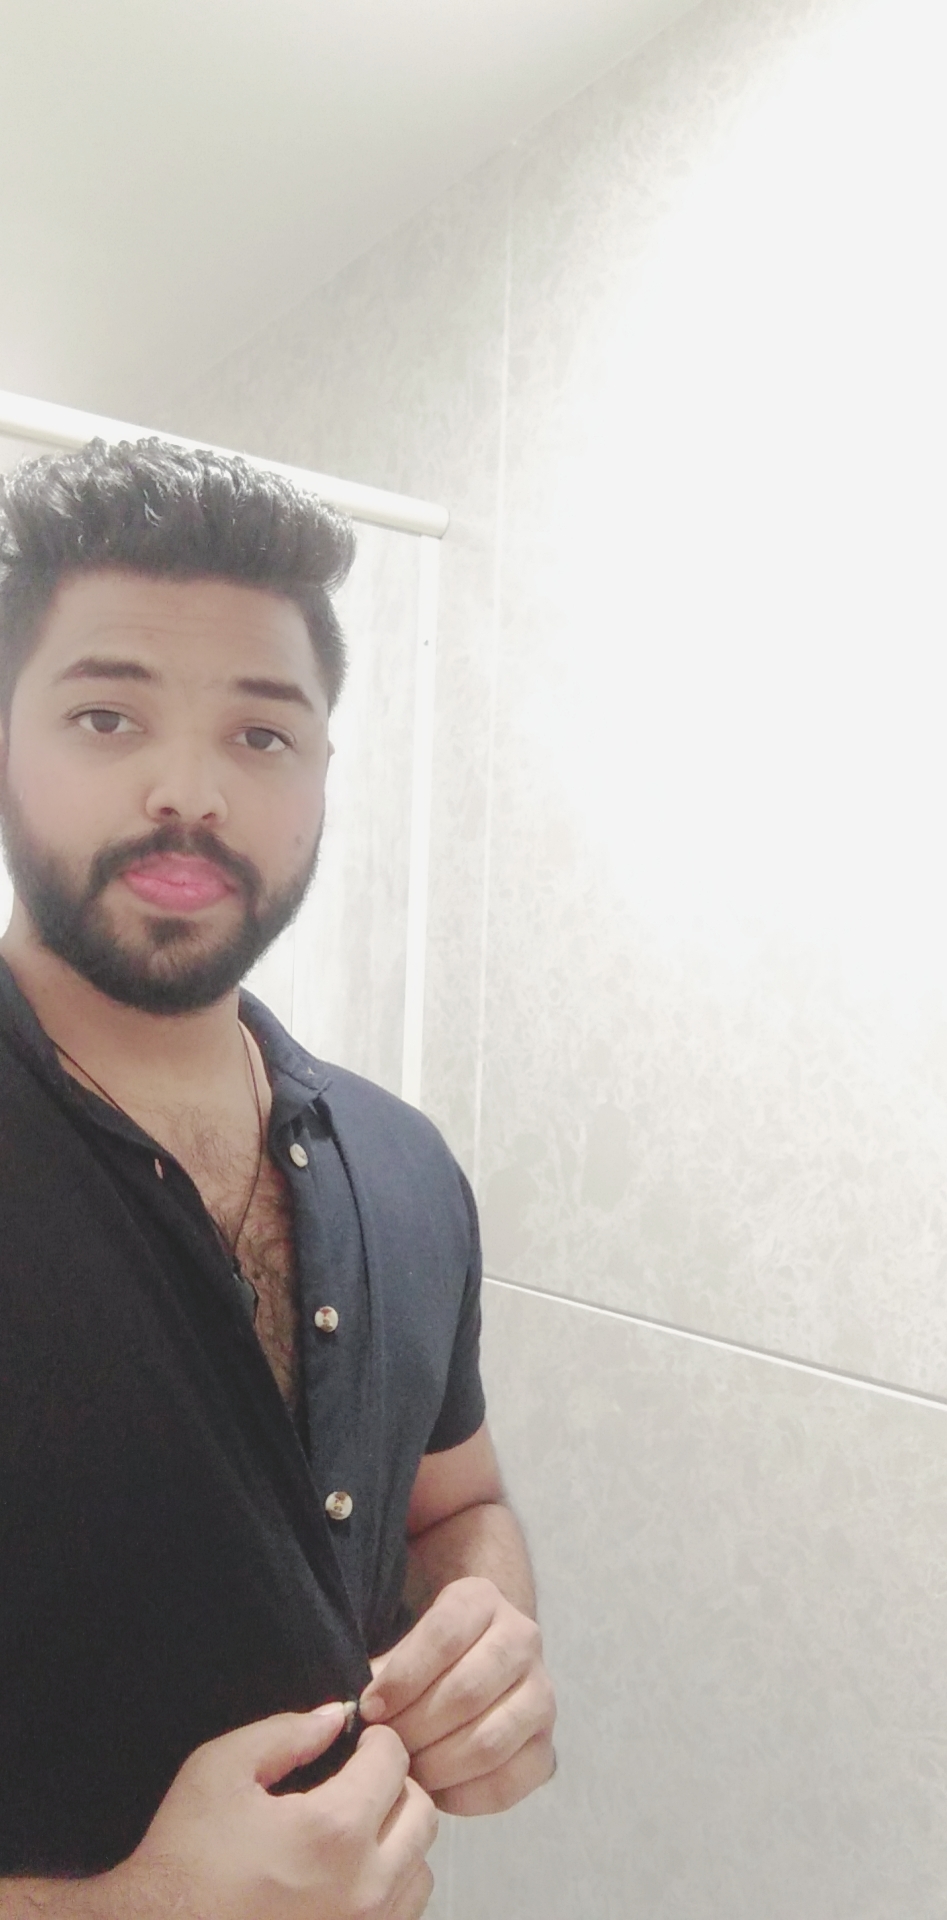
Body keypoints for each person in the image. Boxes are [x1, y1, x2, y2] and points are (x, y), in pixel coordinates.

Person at [0, 438, 555, 1918]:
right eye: (107, 715)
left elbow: (451, 1504)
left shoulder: (408, 1168)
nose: (188, 792)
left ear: (319, 775)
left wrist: (488, 1618)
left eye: (260, 734)